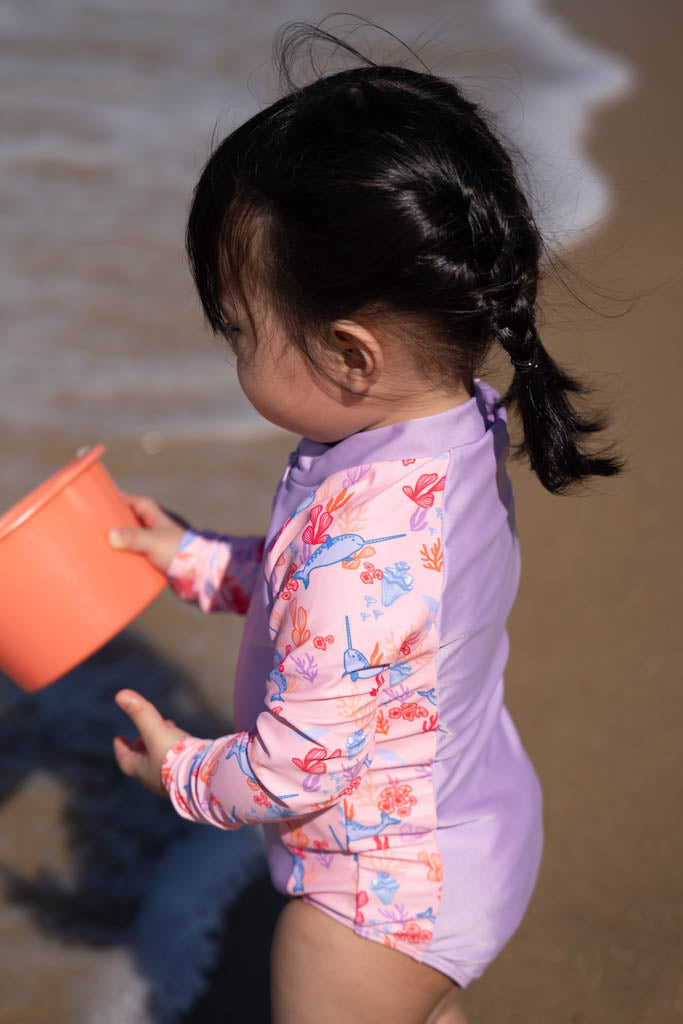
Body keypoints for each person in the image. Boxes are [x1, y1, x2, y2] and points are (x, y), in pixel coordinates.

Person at [109, 24, 623, 1024]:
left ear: (350, 355)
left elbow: (290, 768)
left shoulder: (365, 534)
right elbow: (344, 601)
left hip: (374, 908)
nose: (233, 352)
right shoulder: (451, 422)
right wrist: (196, 558)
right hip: (467, 823)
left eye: (239, 332)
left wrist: (176, 767)